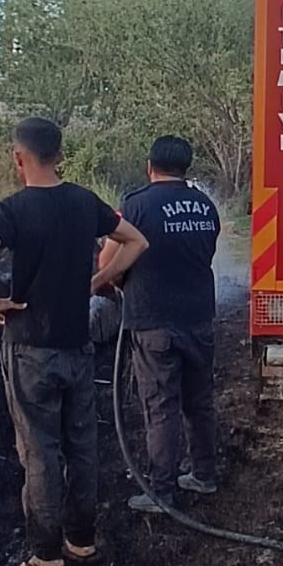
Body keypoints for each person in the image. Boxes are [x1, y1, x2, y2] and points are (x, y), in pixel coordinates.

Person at [0, 116, 146, 566]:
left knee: (41, 452)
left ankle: (46, 555)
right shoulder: (84, 202)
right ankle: (82, 542)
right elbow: (135, 241)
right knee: (82, 444)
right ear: (60, 155)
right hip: (77, 345)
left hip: (28, 347)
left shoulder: (12, 210)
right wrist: (99, 281)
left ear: (18, 158)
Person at [97, 134, 221, 513]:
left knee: (161, 406)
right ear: (187, 168)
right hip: (198, 318)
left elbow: (108, 262)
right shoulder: (204, 205)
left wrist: (115, 283)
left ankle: (161, 493)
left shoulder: (136, 206)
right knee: (199, 402)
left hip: (154, 322)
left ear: (149, 166)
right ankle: (204, 474)